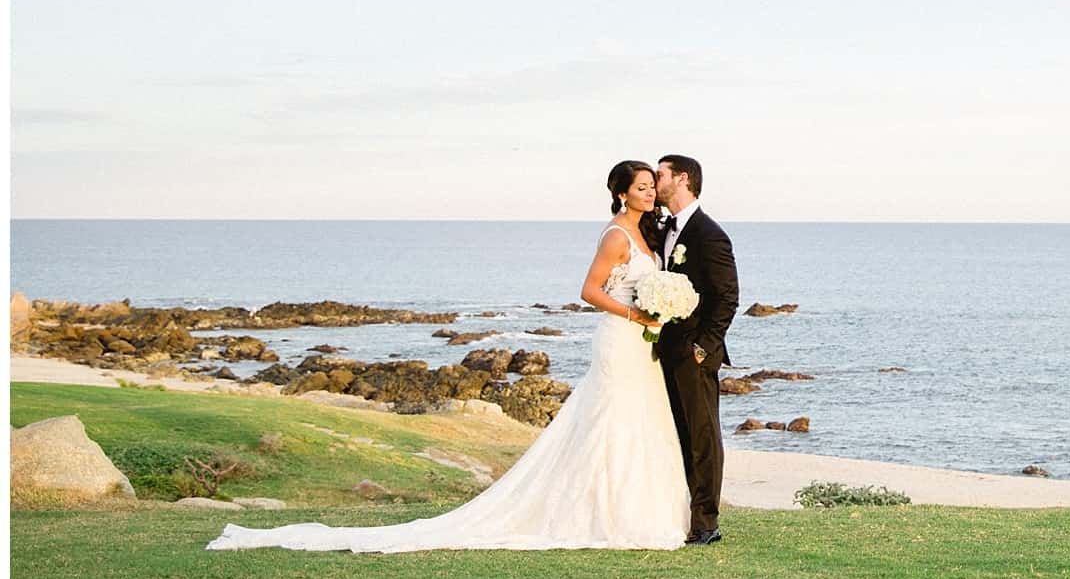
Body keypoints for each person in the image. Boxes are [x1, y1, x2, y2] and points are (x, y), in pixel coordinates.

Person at [207, 161, 691, 552]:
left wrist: (659, 306)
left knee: (639, 420)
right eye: (642, 187)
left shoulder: (648, 233)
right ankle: (603, 515)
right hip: (619, 336)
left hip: (640, 344)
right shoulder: (615, 236)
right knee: (608, 421)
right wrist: (636, 315)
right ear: (622, 193)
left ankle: (637, 509)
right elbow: (588, 291)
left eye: (652, 186)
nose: (650, 193)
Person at [651, 154, 738, 545]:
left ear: (682, 179)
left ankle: (706, 523)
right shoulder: (661, 228)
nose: (655, 181)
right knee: (677, 435)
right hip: (664, 350)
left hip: (694, 353)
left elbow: (727, 298)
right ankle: (679, 511)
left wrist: (704, 347)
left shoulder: (709, 234)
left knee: (702, 437)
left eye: (660, 174)